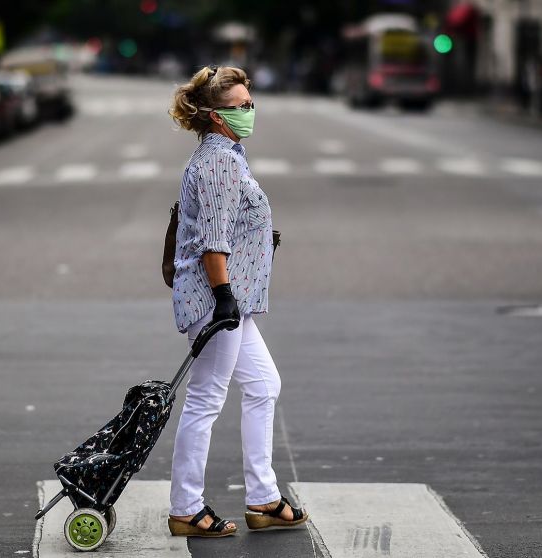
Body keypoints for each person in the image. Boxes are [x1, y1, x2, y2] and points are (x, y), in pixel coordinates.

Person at [164, 65, 308, 538]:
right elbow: (212, 239)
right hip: (216, 298)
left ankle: (262, 499)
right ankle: (185, 507)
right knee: (205, 398)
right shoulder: (219, 162)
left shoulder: (230, 153)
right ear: (214, 116)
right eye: (240, 106)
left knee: (264, 384)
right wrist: (224, 296)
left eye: (251, 103)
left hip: (231, 298)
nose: (250, 111)